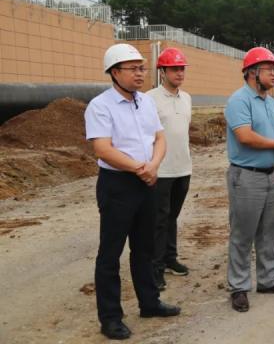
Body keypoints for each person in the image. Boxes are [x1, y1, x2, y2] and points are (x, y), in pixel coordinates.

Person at [84, 43, 181, 340]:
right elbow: (103, 149)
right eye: (133, 69)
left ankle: (149, 303)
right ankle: (111, 317)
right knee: (110, 253)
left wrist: (153, 165)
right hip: (118, 185)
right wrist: (140, 168)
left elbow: (159, 138)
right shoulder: (100, 106)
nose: (140, 74)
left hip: (147, 181)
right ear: (114, 72)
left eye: (142, 68)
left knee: (145, 248)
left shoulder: (146, 102)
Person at [224, 46, 274, 313]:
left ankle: (268, 279)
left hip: (271, 175)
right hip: (247, 177)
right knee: (242, 234)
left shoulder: (270, 102)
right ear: (252, 73)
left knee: (269, 231)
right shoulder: (239, 101)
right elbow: (245, 136)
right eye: (269, 69)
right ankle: (239, 287)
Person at [147, 48, 192, 291]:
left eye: (182, 69)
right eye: (174, 69)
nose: (179, 73)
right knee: (158, 220)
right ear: (162, 71)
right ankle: (155, 268)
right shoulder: (149, 99)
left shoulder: (187, 98)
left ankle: (169, 258)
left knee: (172, 216)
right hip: (161, 170)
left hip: (183, 168)